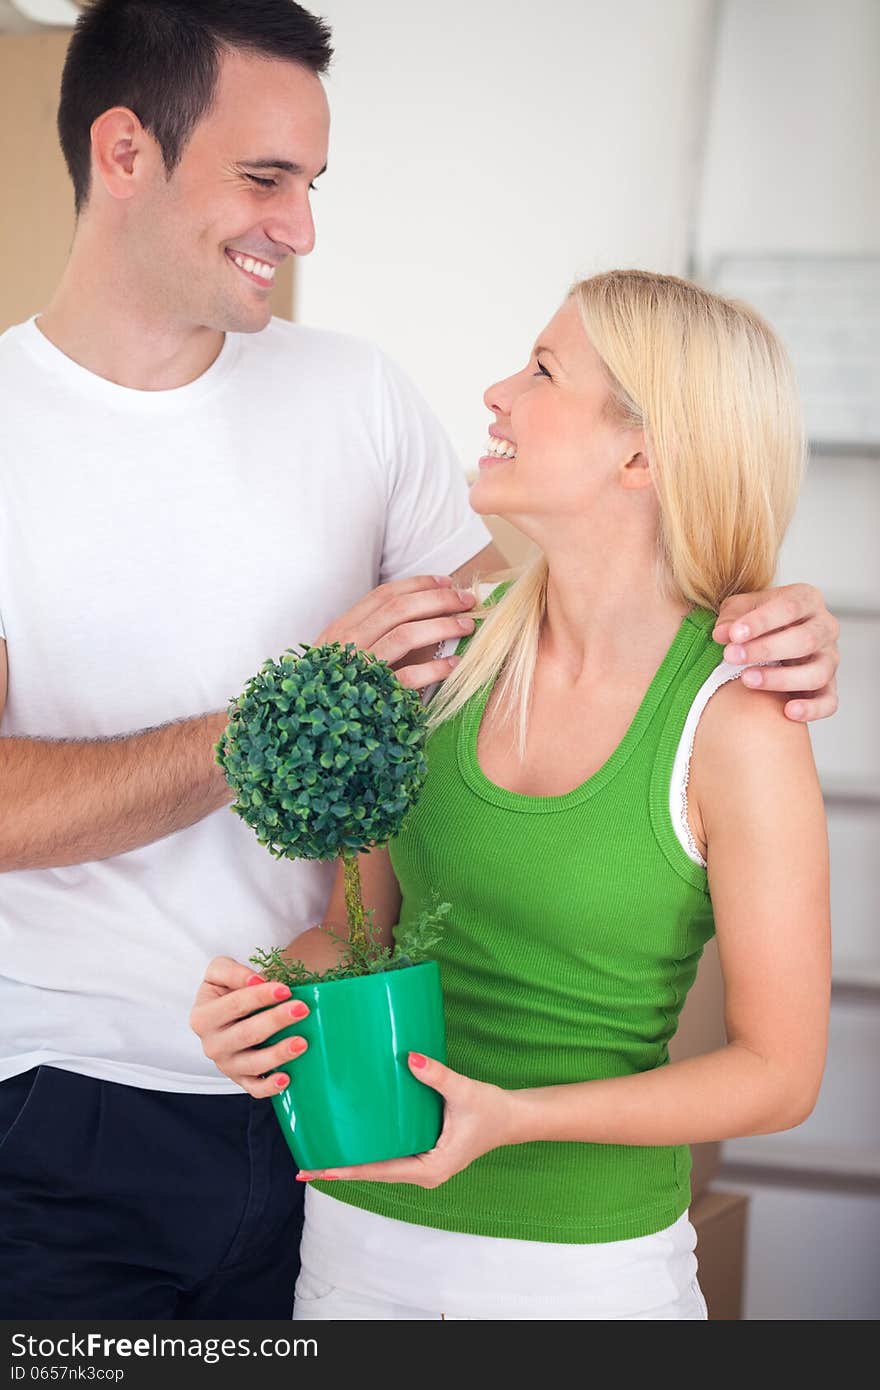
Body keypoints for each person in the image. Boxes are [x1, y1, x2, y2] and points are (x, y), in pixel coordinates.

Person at [0, 0, 834, 1321]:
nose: (303, 226)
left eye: (313, 183)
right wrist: (287, 728)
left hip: (345, 1128)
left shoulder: (359, 397)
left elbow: (562, 609)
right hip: (80, 1118)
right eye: (265, 177)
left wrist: (763, 605)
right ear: (123, 151)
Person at [194, 270, 831, 1321]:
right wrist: (260, 1003)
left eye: (542, 370)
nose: (496, 392)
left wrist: (515, 1117)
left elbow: (777, 1072)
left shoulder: (736, 724)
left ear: (642, 450)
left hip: (584, 1276)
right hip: (355, 1250)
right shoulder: (436, 658)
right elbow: (357, 933)